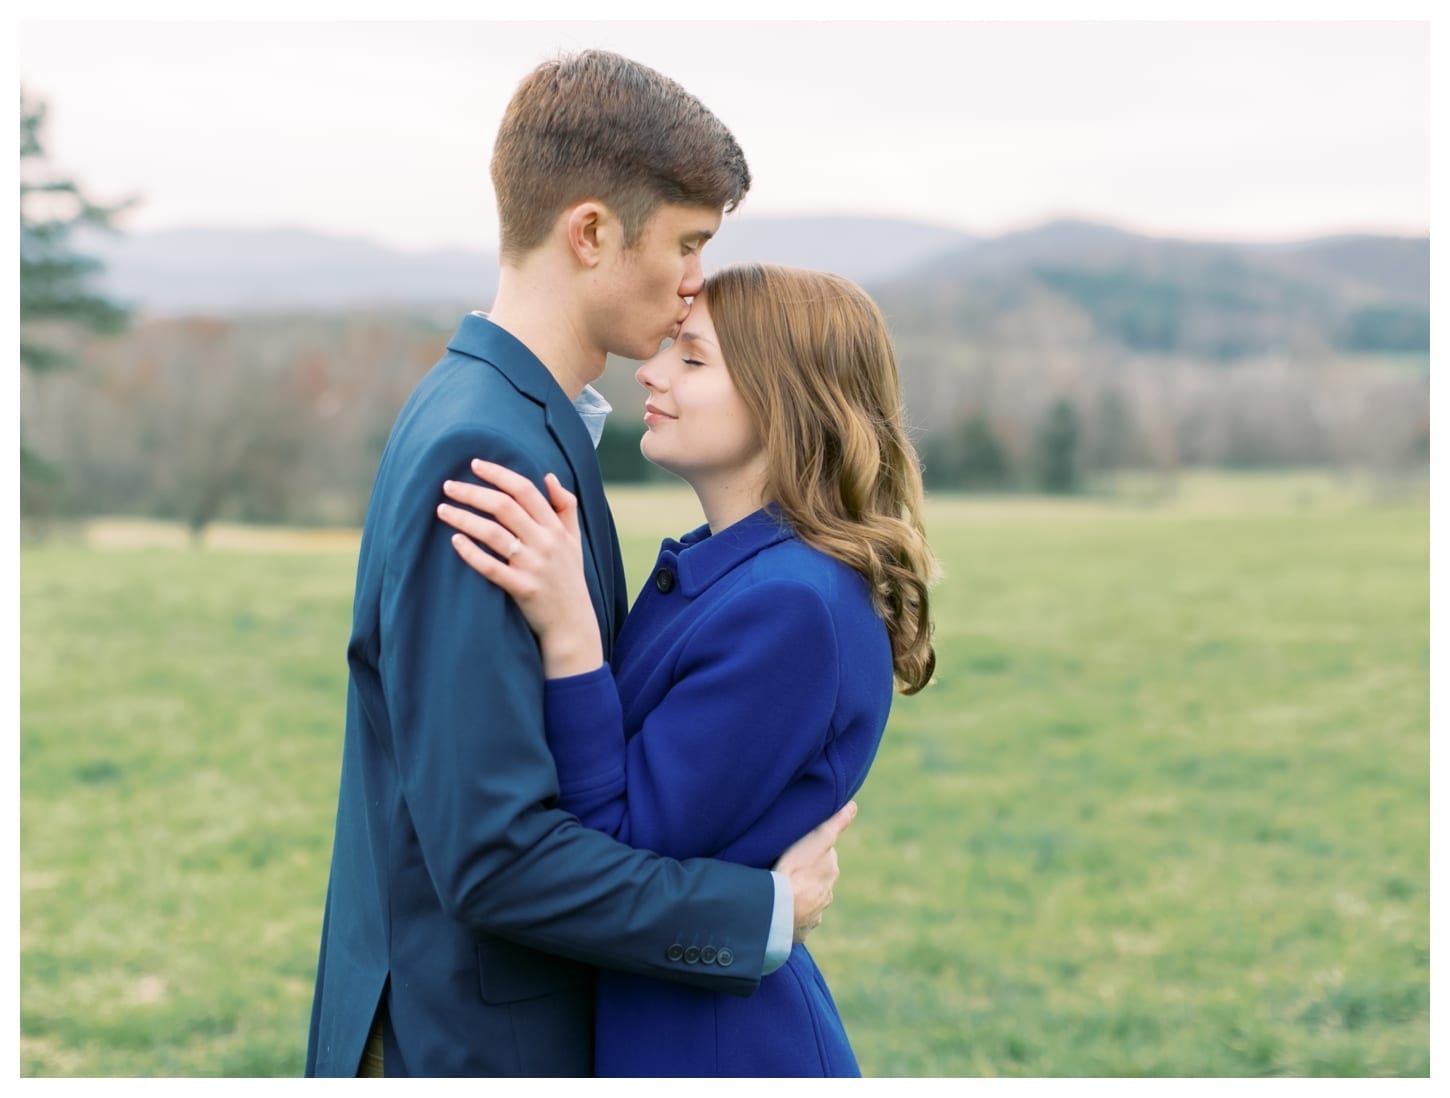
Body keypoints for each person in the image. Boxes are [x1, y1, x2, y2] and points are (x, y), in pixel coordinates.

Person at [305, 53, 856, 1078]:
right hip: (472, 1046)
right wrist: (759, 914)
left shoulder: (509, 417)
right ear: (591, 232)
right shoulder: (491, 451)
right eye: (689, 242)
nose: (699, 281)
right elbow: (494, 855)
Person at [435, 262, 938, 1076]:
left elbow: (617, 843)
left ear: (786, 401)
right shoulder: (733, 572)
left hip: (715, 1052)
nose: (652, 371)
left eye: (692, 359)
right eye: (670, 346)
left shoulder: (793, 608)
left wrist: (570, 635)